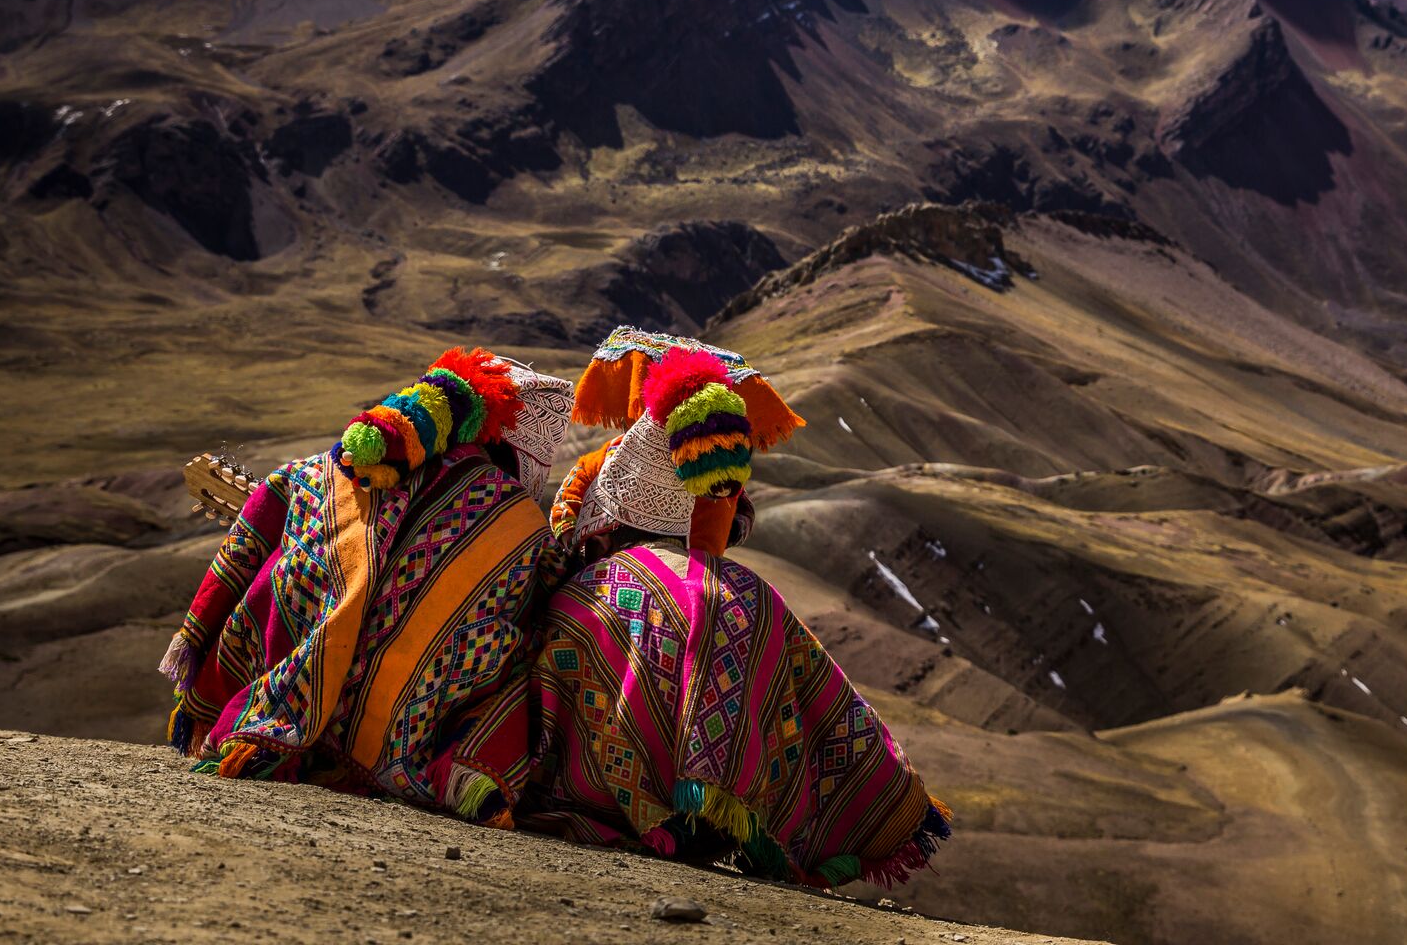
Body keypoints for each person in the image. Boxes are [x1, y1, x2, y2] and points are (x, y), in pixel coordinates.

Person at [519, 326, 954, 888]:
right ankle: (781, 828)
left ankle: (642, 808)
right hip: (740, 800)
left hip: (622, 800)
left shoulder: (585, 583)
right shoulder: (750, 587)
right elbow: (820, 694)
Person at [160, 347, 574, 826]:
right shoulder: (520, 524)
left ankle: (269, 723)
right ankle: (461, 770)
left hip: (283, 694)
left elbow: (266, 512)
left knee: (287, 573)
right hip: (400, 739)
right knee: (522, 648)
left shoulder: (340, 468)